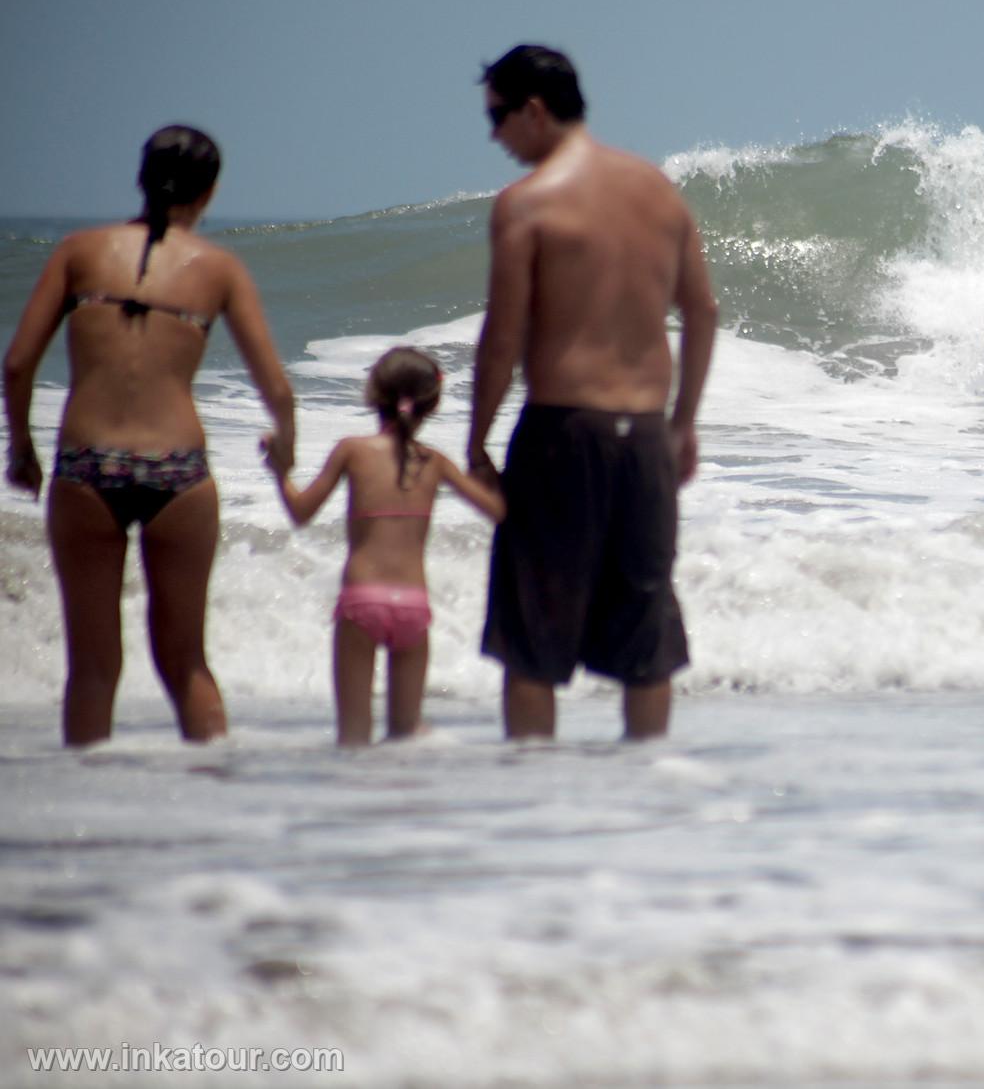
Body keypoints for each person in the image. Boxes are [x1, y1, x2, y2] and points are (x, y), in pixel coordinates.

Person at [3, 125, 296, 745]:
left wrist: (21, 448)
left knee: (92, 668)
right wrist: (287, 447)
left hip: (86, 466)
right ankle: (214, 808)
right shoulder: (218, 268)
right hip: (179, 470)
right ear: (210, 191)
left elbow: (17, 363)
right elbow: (277, 389)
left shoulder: (78, 252)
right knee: (186, 661)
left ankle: (89, 829)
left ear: (140, 176)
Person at [468, 45, 719, 740]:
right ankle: (644, 799)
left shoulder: (527, 204)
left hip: (562, 432)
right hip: (642, 435)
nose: (493, 135)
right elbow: (702, 311)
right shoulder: (657, 191)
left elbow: (503, 337)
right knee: (646, 647)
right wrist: (683, 422)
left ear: (534, 111)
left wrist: (477, 441)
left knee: (533, 644)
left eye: (496, 116)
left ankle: (535, 807)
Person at [263, 347, 504, 745]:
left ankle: (357, 804)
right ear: (433, 402)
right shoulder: (435, 462)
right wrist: (489, 467)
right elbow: (497, 512)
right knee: (406, 736)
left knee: (353, 738)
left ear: (373, 393)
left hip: (362, 602)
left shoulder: (352, 451)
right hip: (413, 605)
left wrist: (280, 473)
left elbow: (301, 512)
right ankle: (401, 805)